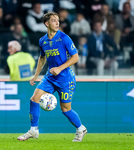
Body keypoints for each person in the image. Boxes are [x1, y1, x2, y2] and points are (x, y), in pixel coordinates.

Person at [17, 11, 87, 142]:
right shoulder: (42, 40)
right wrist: (35, 75)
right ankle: (33, 130)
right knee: (34, 99)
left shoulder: (64, 38)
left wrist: (60, 68)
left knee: (65, 109)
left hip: (66, 79)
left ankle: (80, 128)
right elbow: (42, 58)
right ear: (46, 23)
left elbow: (75, 57)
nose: (57, 22)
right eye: (54, 20)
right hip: (50, 77)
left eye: (58, 20)